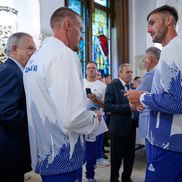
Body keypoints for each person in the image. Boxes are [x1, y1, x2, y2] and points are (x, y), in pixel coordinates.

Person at [23, 7, 99, 182]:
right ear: (68, 25)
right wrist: (94, 119)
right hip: (64, 155)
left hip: (44, 153)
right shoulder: (65, 55)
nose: (81, 37)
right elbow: (72, 118)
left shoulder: (35, 59)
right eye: (80, 30)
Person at [125, 5, 182, 182]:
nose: (148, 29)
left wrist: (141, 96)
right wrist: (148, 101)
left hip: (167, 142)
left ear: (169, 20)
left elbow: (176, 102)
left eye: (152, 23)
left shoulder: (173, 48)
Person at [0, 32, 36, 182]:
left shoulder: (15, 71)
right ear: (15, 49)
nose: (34, 53)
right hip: (8, 150)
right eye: (30, 48)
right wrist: (35, 117)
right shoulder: (10, 72)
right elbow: (6, 112)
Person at [104, 63, 136, 182]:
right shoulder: (112, 86)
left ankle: (126, 177)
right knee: (117, 157)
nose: (130, 74)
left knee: (130, 156)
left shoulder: (132, 87)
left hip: (131, 126)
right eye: (127, 72)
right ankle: (114, 179)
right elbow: (107, 106)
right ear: (120, 73)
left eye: (131, 72)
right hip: (118, 127)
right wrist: (127, 107)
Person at [84, 61, 109, 182]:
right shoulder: (80, 83)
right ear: (86, 70)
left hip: (95, 119)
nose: (90, 70)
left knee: (91, 148)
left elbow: (106, 104)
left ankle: (90, 174)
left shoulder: (102, 86)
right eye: (88, 68)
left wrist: (96, 100)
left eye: (93, 68)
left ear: (96, 70)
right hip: (80, 119)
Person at [136, 47, 160, 138]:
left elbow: (135, 95)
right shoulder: (161, 71)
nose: (144, 62)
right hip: (158, 119)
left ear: (149, 59)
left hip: (149, 118)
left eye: (144, 59)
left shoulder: (151, 74)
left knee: (150, 149)